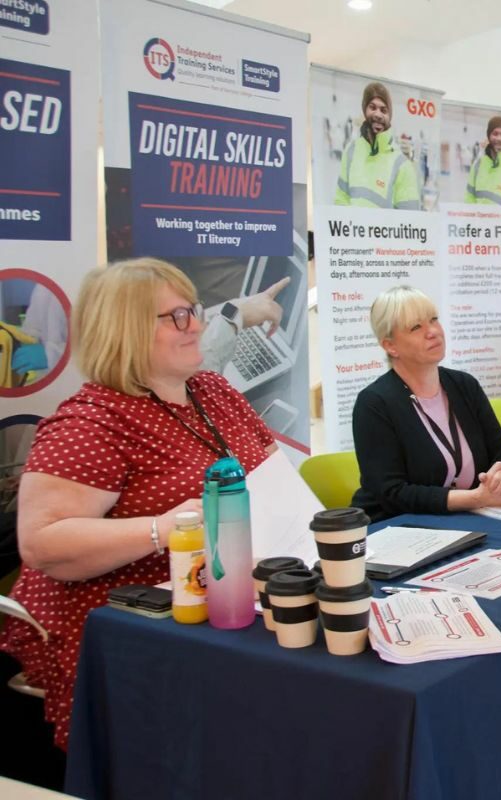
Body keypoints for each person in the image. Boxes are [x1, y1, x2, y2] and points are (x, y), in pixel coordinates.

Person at [0, 259, 277, 750]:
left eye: (192, 310)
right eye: (176, 317)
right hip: (133, 633)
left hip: (227, 605)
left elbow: (271, 466)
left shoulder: (211, 390)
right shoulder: (91, 423)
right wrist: (167, 527)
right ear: (124, 330)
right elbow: (42, 544)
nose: (197, 325)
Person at [351, 286, 501, 521]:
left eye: (433, 320)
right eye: (416, 327)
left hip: (469, 516)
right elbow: (392, 493)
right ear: (390, 346)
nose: (432, 331)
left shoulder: (464, 385)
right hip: (399, 525)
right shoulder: (374, 403)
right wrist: (477, 498)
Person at [333, 82, 421, 210]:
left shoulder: (402, 164)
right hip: (351, 229)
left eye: (383, 110)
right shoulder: (351, 150)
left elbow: (410, 222)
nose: (378, 115)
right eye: (372, 107)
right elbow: (341, 199)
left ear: (389, 116)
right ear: (364, 109)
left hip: (385, 231)